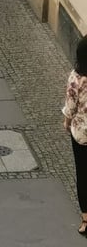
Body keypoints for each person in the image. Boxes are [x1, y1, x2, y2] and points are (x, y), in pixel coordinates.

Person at [62, 34, 87, 238]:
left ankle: (86, 219)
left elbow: (70, 107)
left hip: (82, 135)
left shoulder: (76, 79)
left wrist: (66, 121)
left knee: (83, 174)